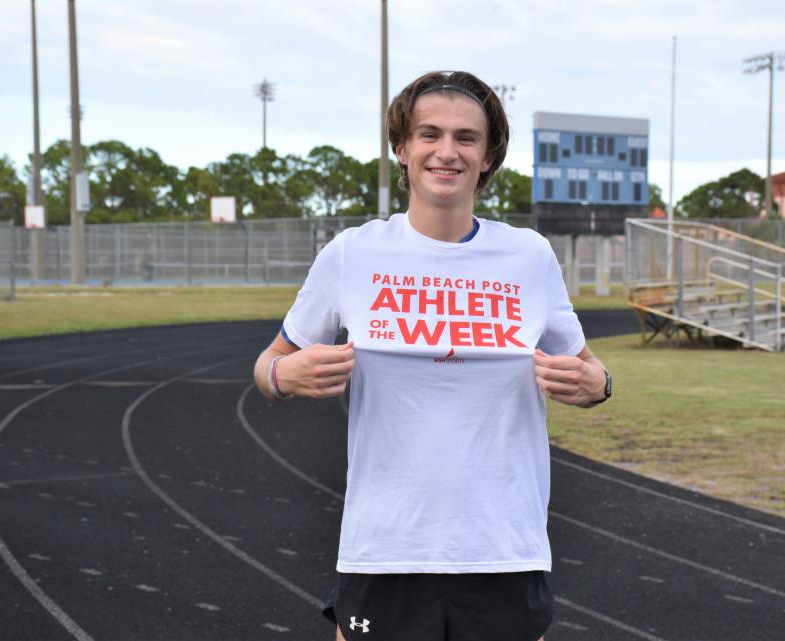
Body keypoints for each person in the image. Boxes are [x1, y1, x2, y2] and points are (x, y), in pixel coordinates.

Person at [253, 70, 611, 641]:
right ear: (402, 147)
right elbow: (269, 366)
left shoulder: (529, 256)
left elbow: (592, 373)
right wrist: (284, 373)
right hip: (385, 547)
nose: (448, 151)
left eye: (466, 138)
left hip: (504, 549)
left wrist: (595, 386)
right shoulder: (353, 254)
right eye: (430, 134)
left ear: (488, 155)